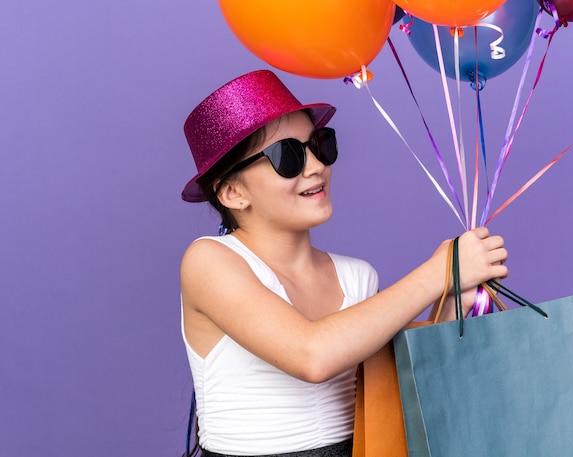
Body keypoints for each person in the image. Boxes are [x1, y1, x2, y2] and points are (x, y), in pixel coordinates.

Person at [179, 69, 508, 457]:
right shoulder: (209, 261)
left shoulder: (357, 277)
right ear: (233, 192)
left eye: (320, 145)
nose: (317, 166)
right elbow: (313, 356)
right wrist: (439, 270)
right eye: (288, 155)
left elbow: (395, 387)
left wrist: (455, 300)